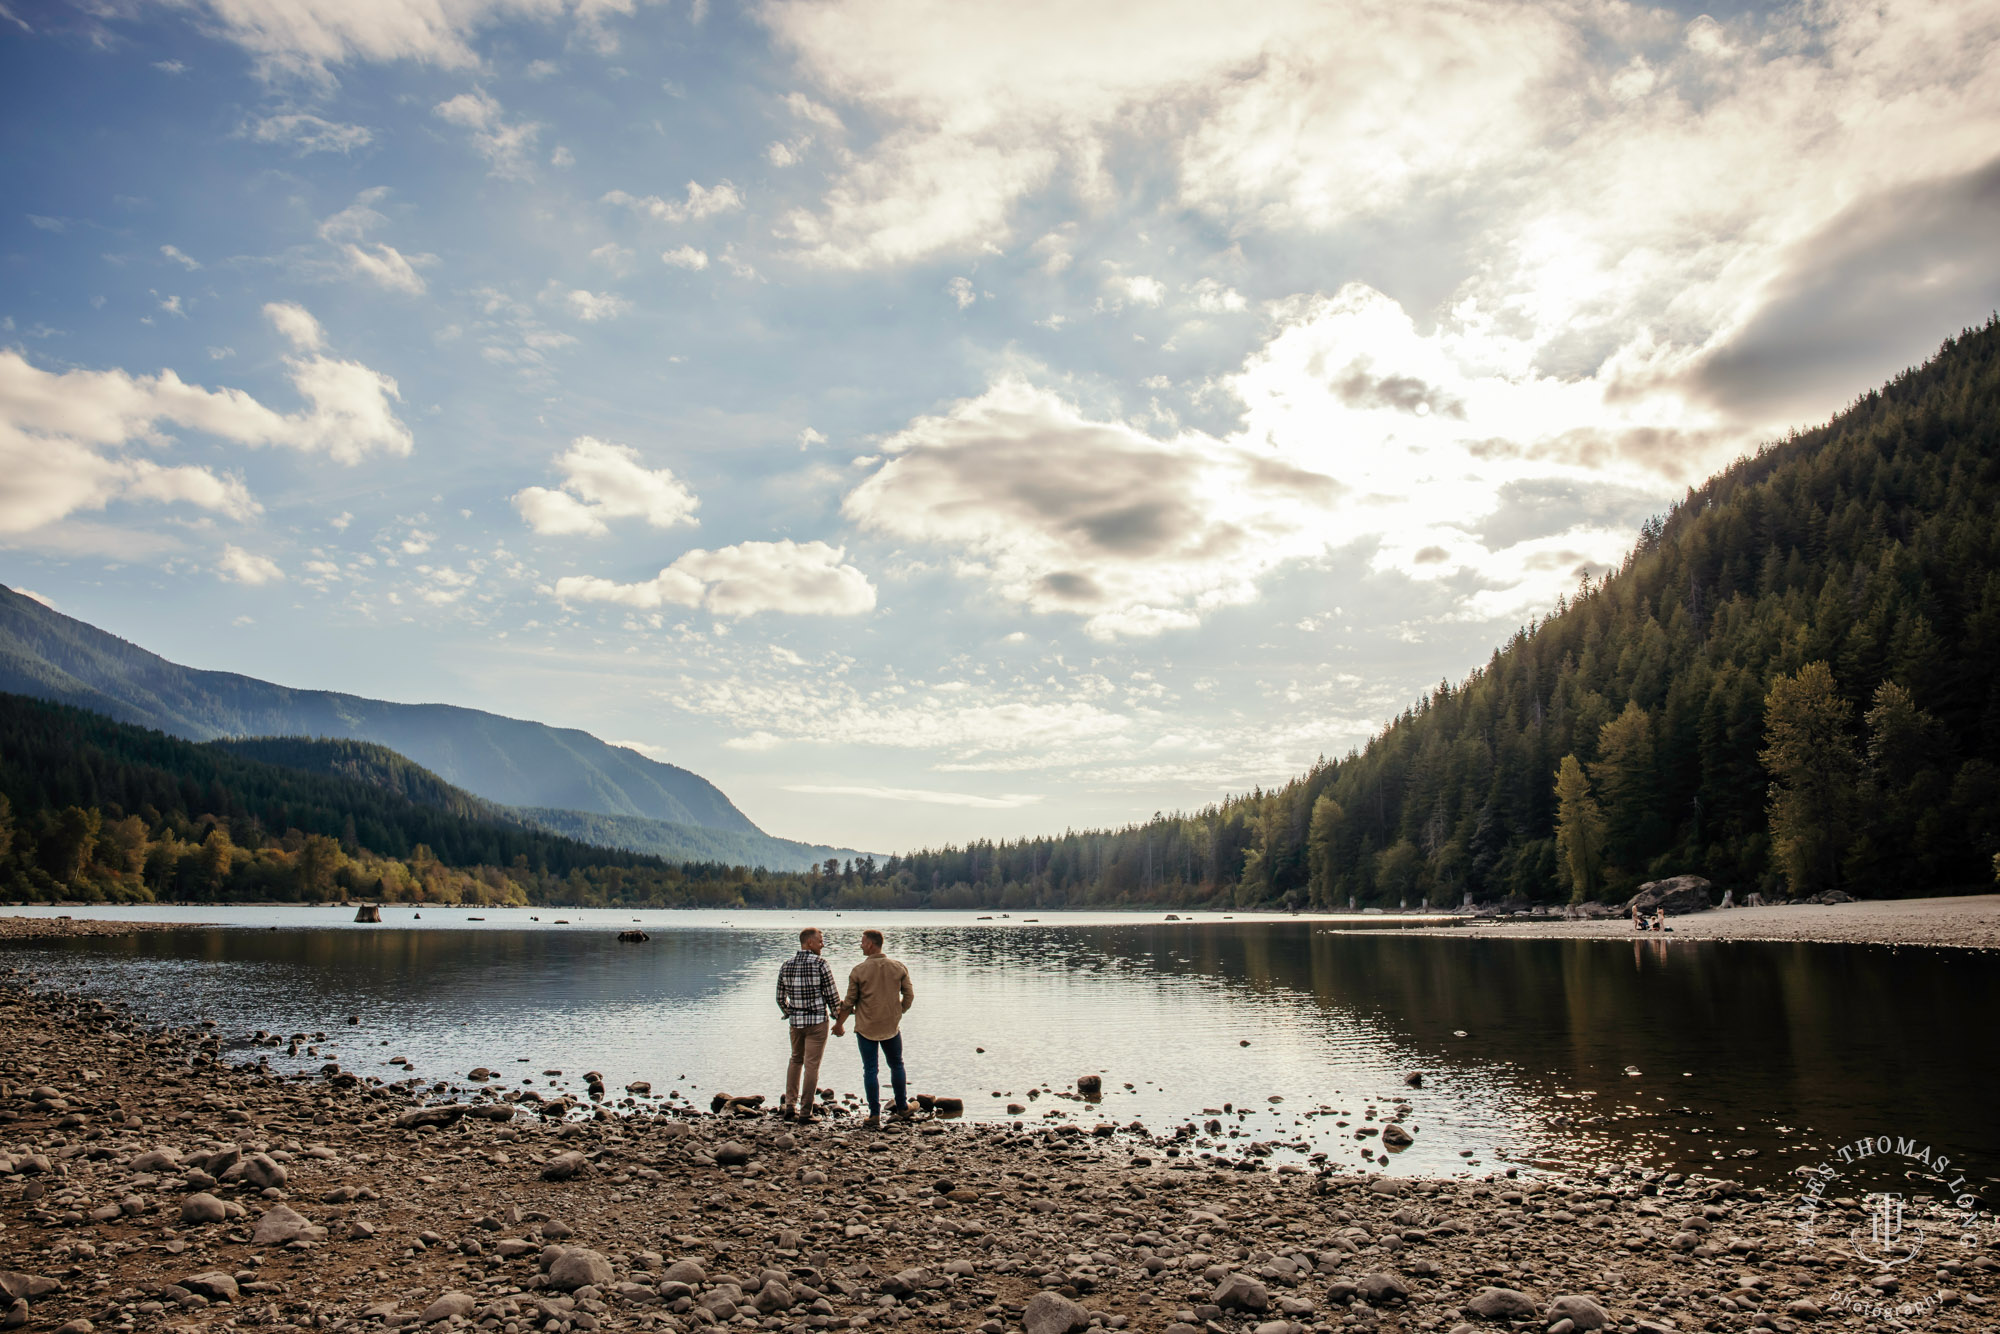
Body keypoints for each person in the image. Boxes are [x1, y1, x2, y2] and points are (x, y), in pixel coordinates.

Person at [836, 928, 915, 1125]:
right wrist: (899, 1011)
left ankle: (874, 1114)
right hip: (891, 1026)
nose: (861, 945)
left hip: (866, 1027)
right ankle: (903, 1107)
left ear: (871, 944)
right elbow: (909, 995)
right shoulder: (898, 967)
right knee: (897, 1065)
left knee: (870, 1069)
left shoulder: (858, 971)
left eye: (862, 942)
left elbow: (849, 1002)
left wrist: (839, 1024)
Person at [775, 926, 840, 1123]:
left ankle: (789, 1106)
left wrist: (790, 1013)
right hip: (818, 1021)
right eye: (820, 941)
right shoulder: (821, 964)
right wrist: (839, 1018)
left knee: (795, 1060)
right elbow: (831, 995)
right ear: (809, 943)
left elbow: (779, 997)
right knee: (812, 1066)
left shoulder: (786, 965)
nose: (823, 944)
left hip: (796, 1022)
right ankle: (805, 1112)